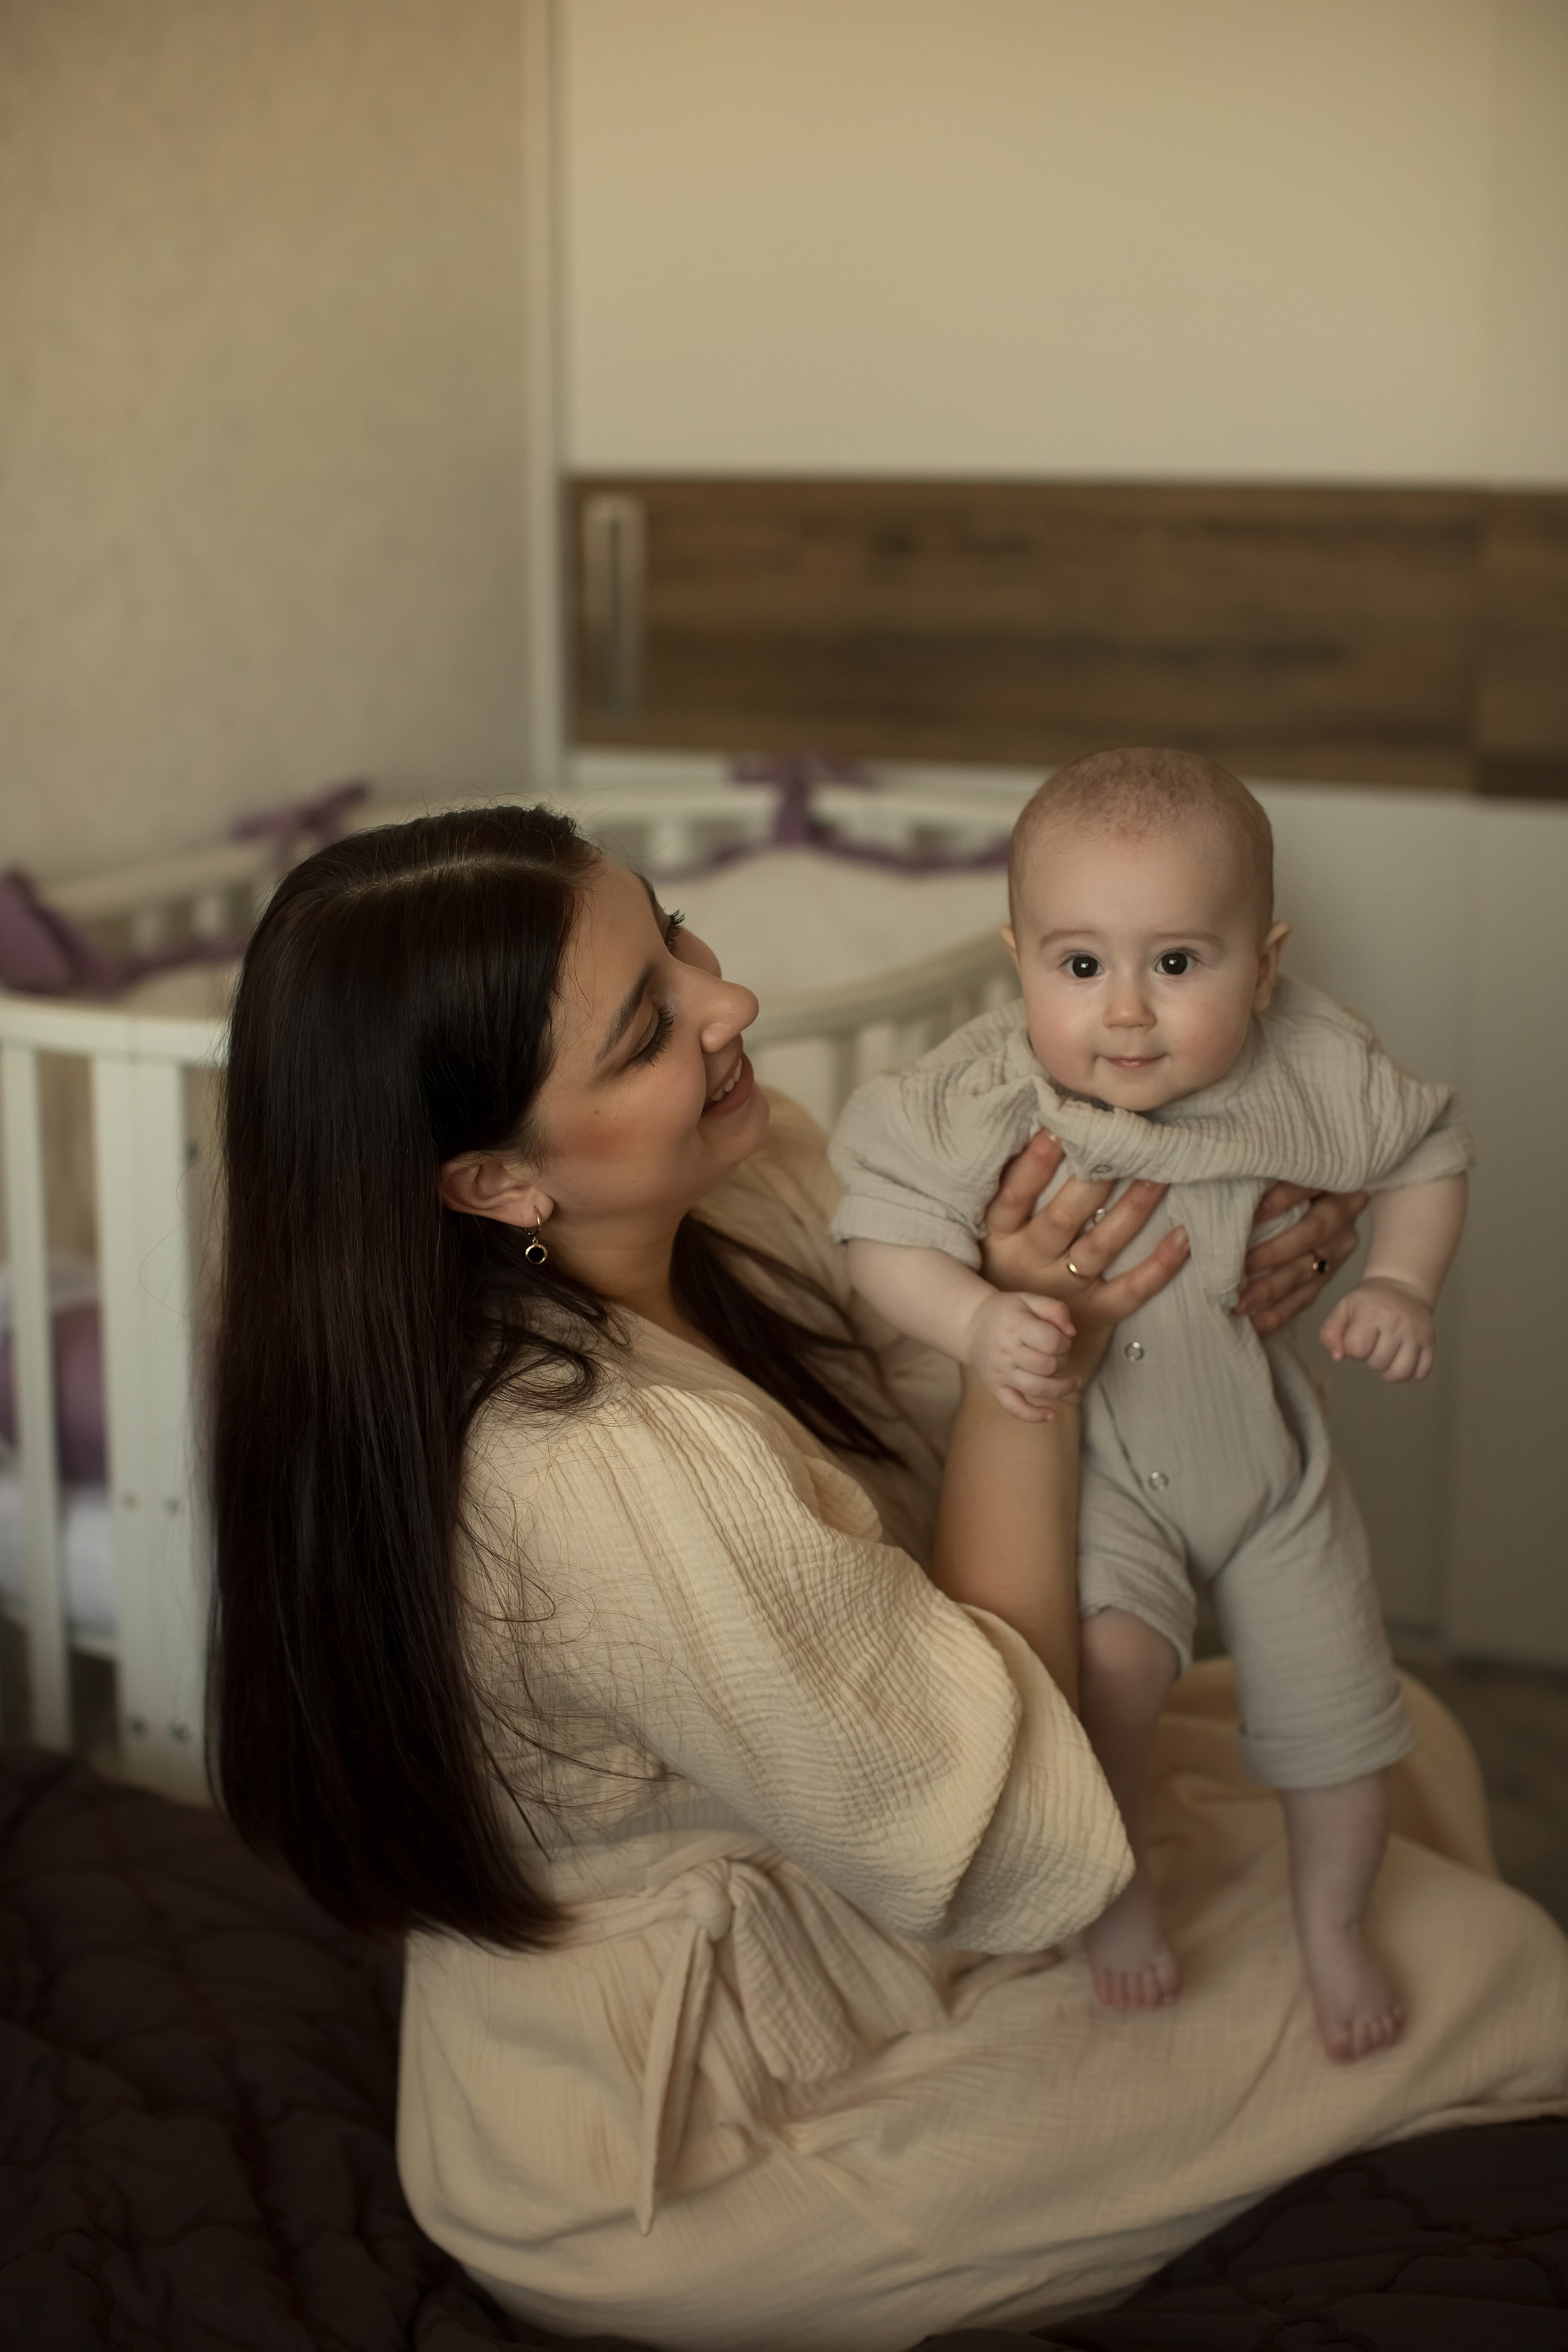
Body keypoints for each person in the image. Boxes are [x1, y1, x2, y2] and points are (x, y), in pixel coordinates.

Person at [209, 806, 1568, 2352]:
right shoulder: (599, 1474)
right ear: (494, 1182)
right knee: (1495, 1973)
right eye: (648, 1026)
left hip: (872, 1849)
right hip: (717, 2122)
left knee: (1394, 1739)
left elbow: (987, 1474)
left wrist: (1210, 1266)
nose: (730, 1005)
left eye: (675, 938)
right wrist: (1033, 1368)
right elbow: (997, 1804)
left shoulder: (750, 1181)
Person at [830, 749, 1469, 2057]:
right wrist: (972, 1316)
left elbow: (1427, 1150)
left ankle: (1332, 1922)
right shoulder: (979, 1096)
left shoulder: (1307, 1067)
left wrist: (1400, 1281)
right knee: (1110, 1671)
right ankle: (1110, 1893)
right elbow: (874, 1231)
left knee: (1342, 1721)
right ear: (1016, 959)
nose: (1124, 1013)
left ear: (1264, 962)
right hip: (1106, 1470)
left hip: (1271, 1466)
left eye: (1176, 964)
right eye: (1078, 967)